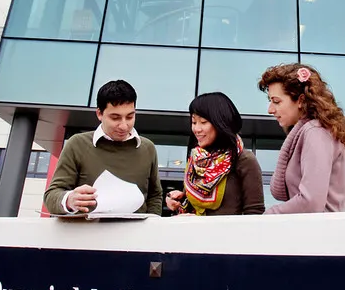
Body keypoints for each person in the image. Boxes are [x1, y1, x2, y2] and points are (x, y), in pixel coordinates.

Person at [43, 79, 163, 215]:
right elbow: (52, 195)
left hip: (134, 234)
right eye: (115, 118)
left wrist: (152, 225)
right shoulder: (77, 144)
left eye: (130, 117)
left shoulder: (148, 148)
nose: (124, 126)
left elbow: (155, 195)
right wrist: (69, 200)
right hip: (86, 233)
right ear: (99, 114)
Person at [258, 63, 345, 214]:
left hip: (325, 233)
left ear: (301, 100)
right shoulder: (314, 131)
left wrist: (268, 216)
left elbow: (311, 202)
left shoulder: (316, 132)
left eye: (276, 101)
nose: (270, 109)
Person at [165, 92, 264, 216]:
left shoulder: (244, 159)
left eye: (203, 122)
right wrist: (178, 200)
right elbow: (194, 208)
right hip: (193, 234)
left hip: (228, 234)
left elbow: (254, 212)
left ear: (221, 123)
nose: (197, 129)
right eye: (194, 122)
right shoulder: (196, 160)